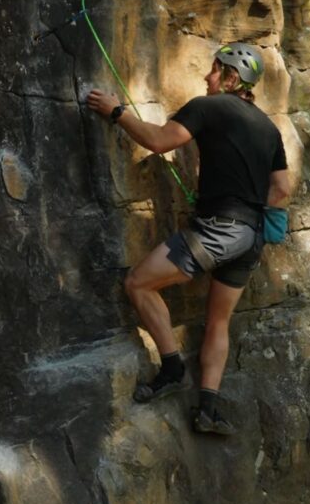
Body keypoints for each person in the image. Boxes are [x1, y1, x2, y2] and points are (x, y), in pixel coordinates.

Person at [86, 43, 292, 435]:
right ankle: (208, 409)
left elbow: (160, 140)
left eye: (214, 70)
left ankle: (172, 367)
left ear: (231, 78)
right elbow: (281, 188)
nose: (206, 77)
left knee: (138, 283)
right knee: (218, 321)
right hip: (250, 238)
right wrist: (243, 200)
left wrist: (116, 111)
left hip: (220, 229)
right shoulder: (268, 128)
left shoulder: (208, 106)